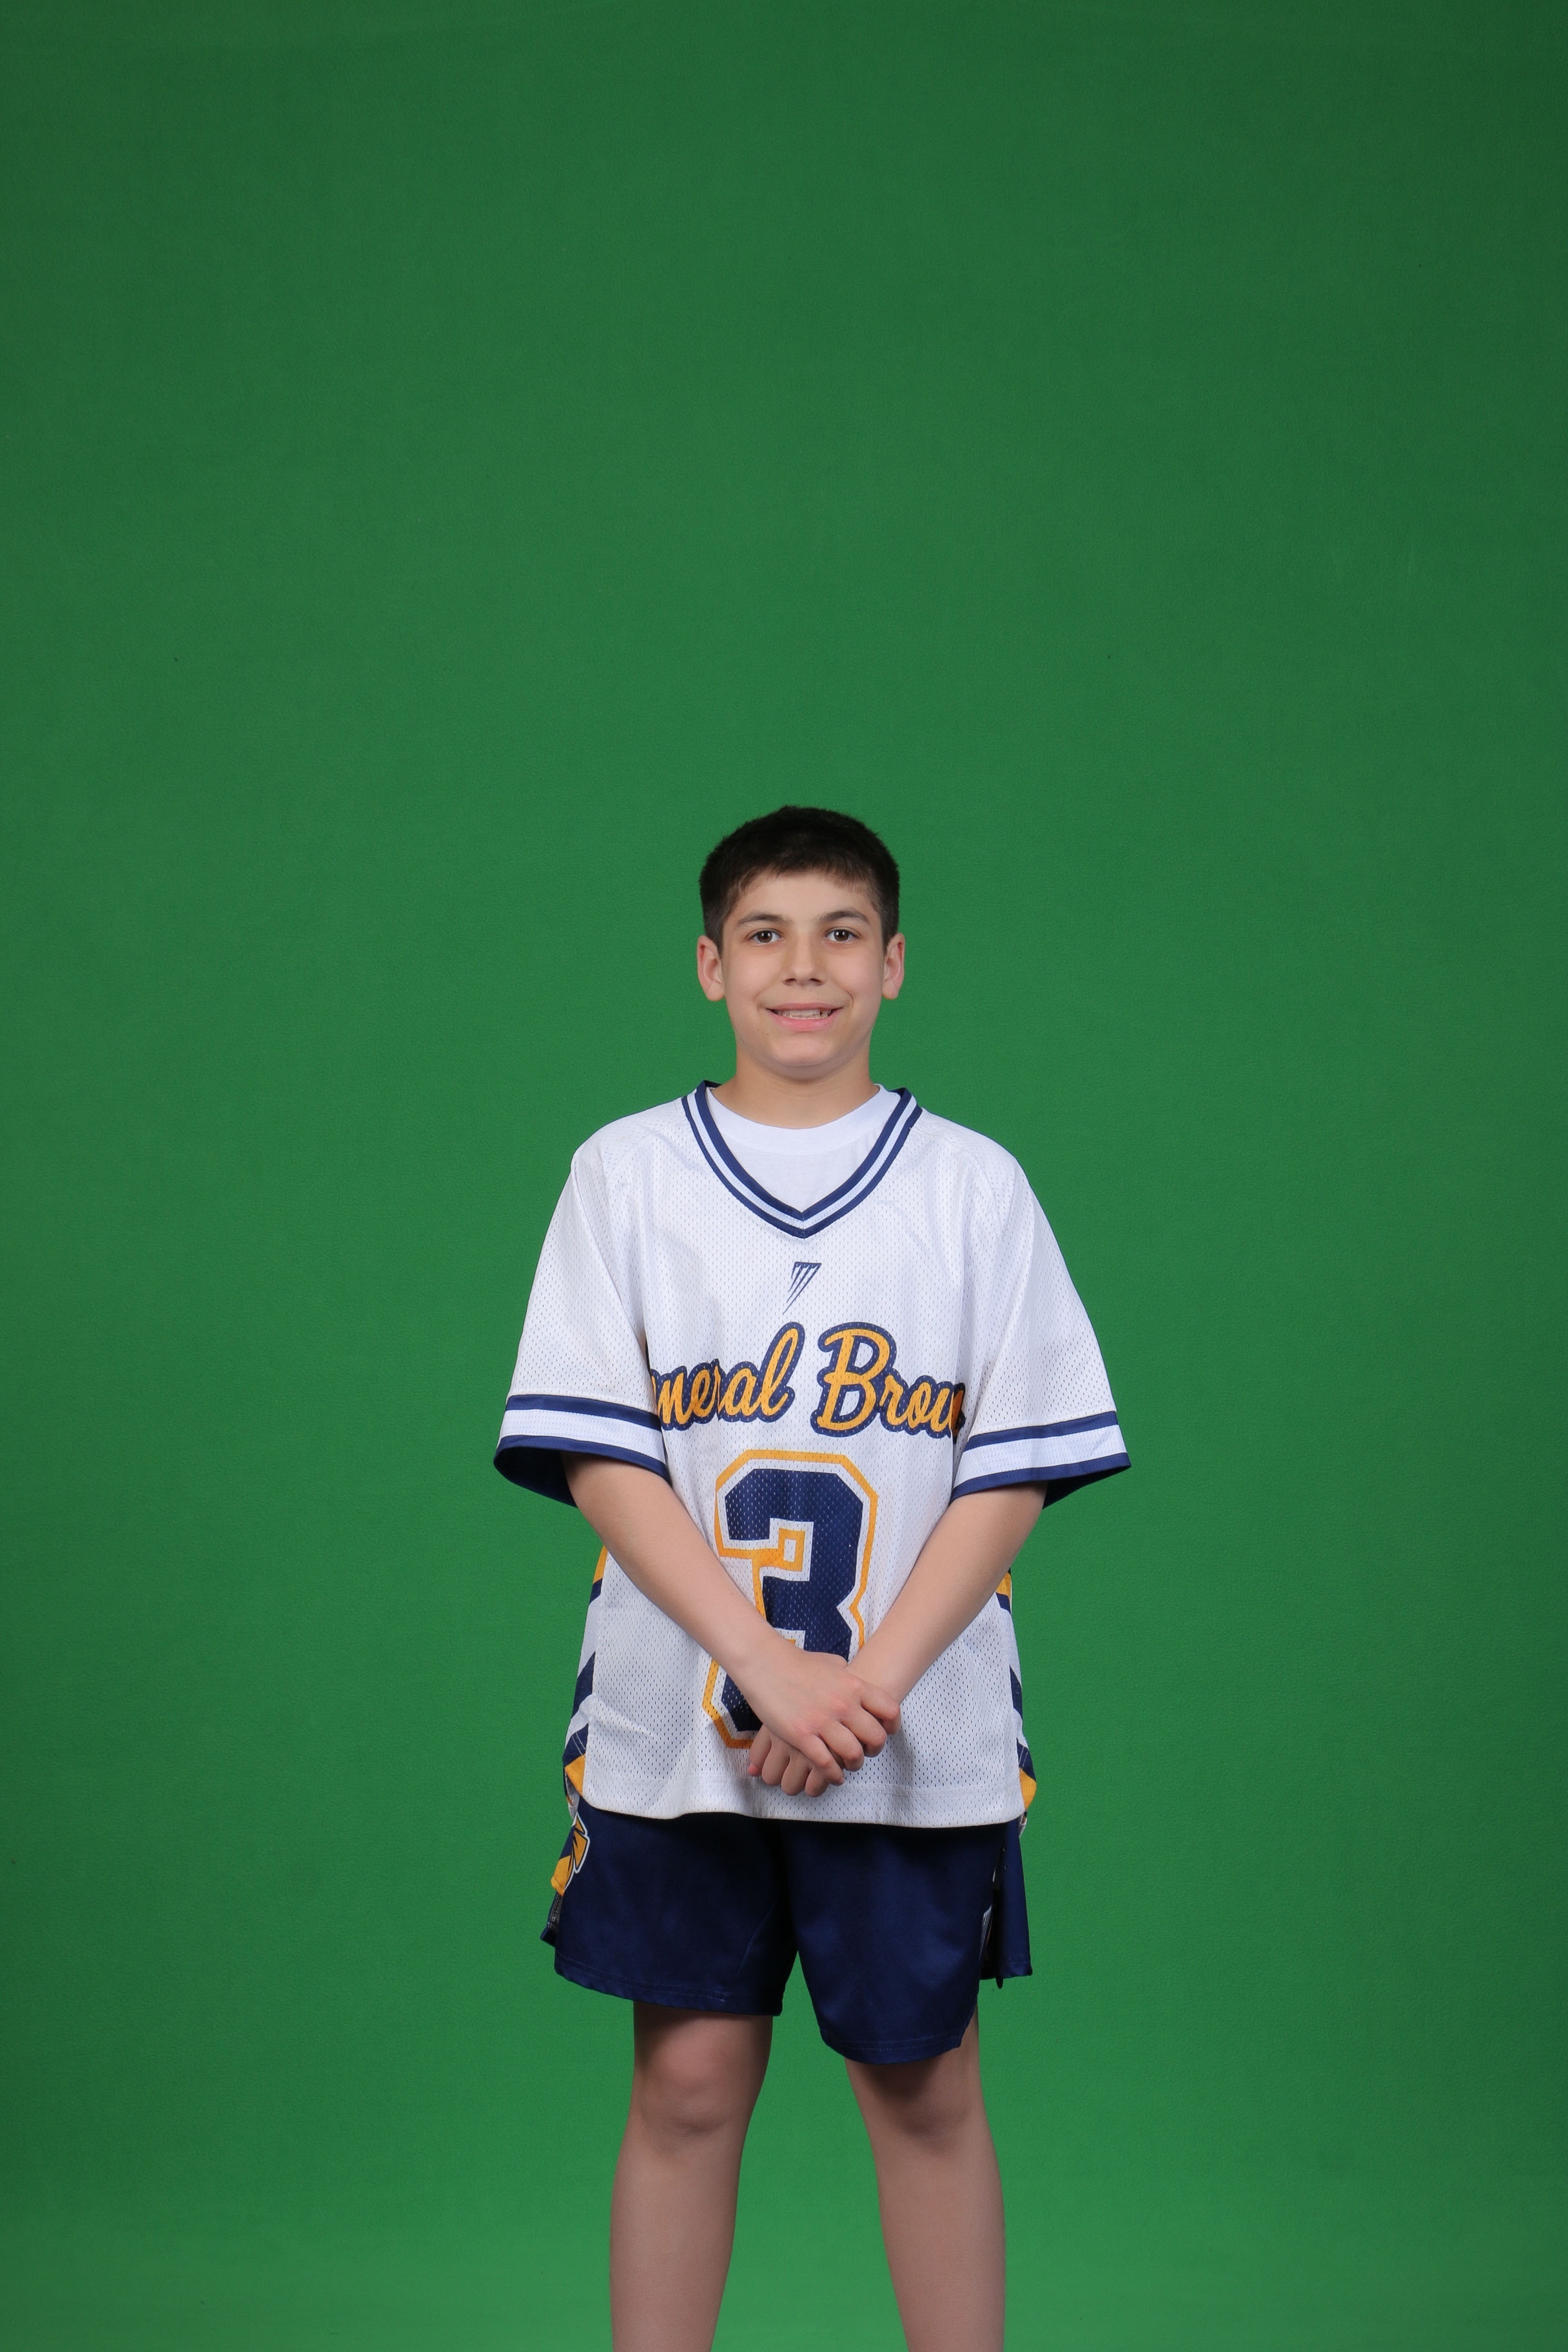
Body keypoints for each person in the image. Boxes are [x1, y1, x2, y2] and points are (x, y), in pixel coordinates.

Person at [495, 806, 1128, 2351]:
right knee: (687, 2083)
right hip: (684, 1722)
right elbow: (600, 1458)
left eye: (840, 935)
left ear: (893, 964)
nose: (804, 968)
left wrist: (866, 1684)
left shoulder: (972, 1186)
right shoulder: (626, 1173)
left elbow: (1013, 1466)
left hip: (906, 1726)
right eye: (765, 936)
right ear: (709, 965)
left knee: (923, 2085)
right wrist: (766, 1665)